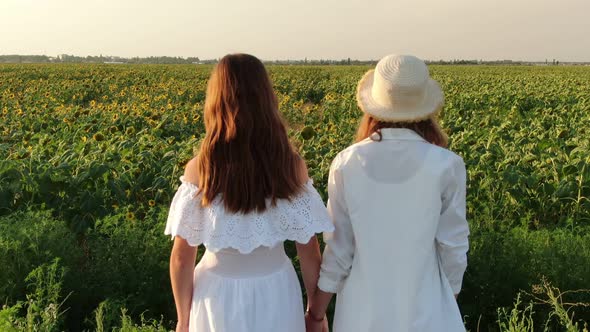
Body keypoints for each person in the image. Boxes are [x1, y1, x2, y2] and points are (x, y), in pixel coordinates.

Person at [165, 54, 334, 332]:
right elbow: (309, 249)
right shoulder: (290, 165)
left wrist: (183, 320)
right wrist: (315, 313)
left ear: (216, 100)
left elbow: (182, 256)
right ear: (266, 98)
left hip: (216, 294)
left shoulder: (201, 169)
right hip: (276, 291)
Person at [306, 54, 470, 332]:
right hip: (427, 308)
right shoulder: (446, 164)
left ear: (374, 108)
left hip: (362, 312)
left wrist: (316, 312)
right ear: (426, 110)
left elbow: (340, 250)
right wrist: (447, 295)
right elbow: (453, 246)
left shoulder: (347, 163)